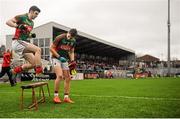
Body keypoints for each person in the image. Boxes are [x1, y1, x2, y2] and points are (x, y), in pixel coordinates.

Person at [6, 6, 43, 78]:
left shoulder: (32, 23)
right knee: (38, 49)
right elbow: (8, 22)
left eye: (37, 14)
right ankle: (39, 72)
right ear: (31, 11)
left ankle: (14, 71)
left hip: (23, 44)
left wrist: (31, 35)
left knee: (33, 64)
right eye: (36, 13)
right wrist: (17, 26)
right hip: (17, 42)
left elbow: (26, 33)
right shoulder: (22, 17)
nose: (36, 16)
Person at [50, 28, 77, 104]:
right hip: (55, 58)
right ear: (68, 32)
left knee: (68, 78)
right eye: (69, 36)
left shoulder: (73, 41)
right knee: (60, 76)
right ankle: (56, 96)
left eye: (71, 37)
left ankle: (66, 97)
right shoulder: (60, 37)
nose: (69, 38)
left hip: (64, 59)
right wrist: (59, 57)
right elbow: (51, 48)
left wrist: (72, 60)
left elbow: (71, 51)